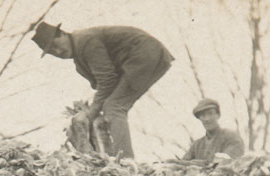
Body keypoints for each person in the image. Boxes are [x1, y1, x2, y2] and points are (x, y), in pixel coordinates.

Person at [32, 22, 174, 159]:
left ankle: (125, 160)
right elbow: (103, 85)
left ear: (62, 34)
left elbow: (107, 81)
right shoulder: (79, 62)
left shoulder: (84, 41)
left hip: (144, 54)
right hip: (143, 57)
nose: (58, 52)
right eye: (52, 52)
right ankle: (116, 154)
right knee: (113, 106)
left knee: (114, 107)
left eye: (55, 45)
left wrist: (91, 112)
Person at [182, 98, 245, 162]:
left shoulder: (231, 137)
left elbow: (227, 163)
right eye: (203, 115)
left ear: (218, 115)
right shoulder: (197, 145)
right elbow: (182, 164)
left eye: (210, 114)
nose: (207, 119)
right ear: (200, 118)